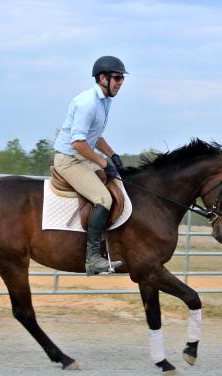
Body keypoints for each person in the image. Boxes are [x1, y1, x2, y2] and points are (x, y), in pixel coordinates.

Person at [53, 56, 127, 275]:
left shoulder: (105, 101)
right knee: (103, 199)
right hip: (69, 160)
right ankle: (93, 258)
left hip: (82, 157)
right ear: (102, 78)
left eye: (122, 78)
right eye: (117, 78)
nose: (120, 82)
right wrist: (103, 162)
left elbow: (95, 136)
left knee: (118, 183)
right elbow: (78, 143)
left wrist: (112, 155)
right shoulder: (88, 103)